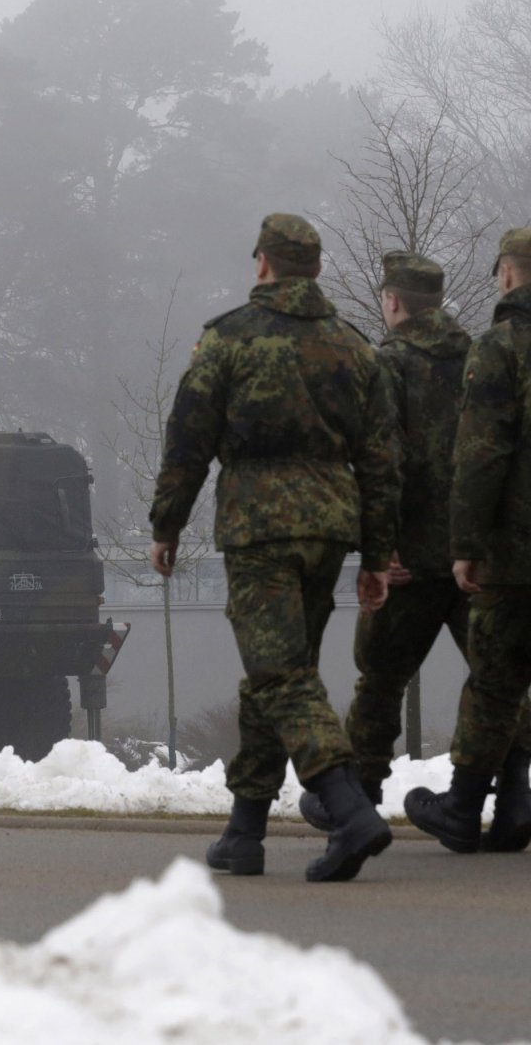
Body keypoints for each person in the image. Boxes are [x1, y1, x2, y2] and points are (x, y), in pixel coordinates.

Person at [150, 212, 393, 882]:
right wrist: (377, 553)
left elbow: (188, 441)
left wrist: (166, 525)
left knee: (282, 674)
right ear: (314, 269)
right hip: (331, 527)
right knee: (277, 671)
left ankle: (349, 811)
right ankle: (244, 830)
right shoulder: (354, 347)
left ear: (262, 263)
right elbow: (381, 460)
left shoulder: (228, 338)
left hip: (260, 528)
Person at [298, 250, 531, 839]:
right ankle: (514, 795)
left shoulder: (386, 364)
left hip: (409, 556)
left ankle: (357, 799)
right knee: (497, 678)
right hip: (477, 555)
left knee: (379, 679)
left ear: (394, 301)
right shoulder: (486, 356)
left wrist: (379, 548)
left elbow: (378, 461)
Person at [404, 228, 531, 853]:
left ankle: (464, 806)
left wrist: (466, 542)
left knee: (493, 682)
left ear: (509, 275)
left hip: (517, 555)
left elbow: (482, 453)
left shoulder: (500, 347)